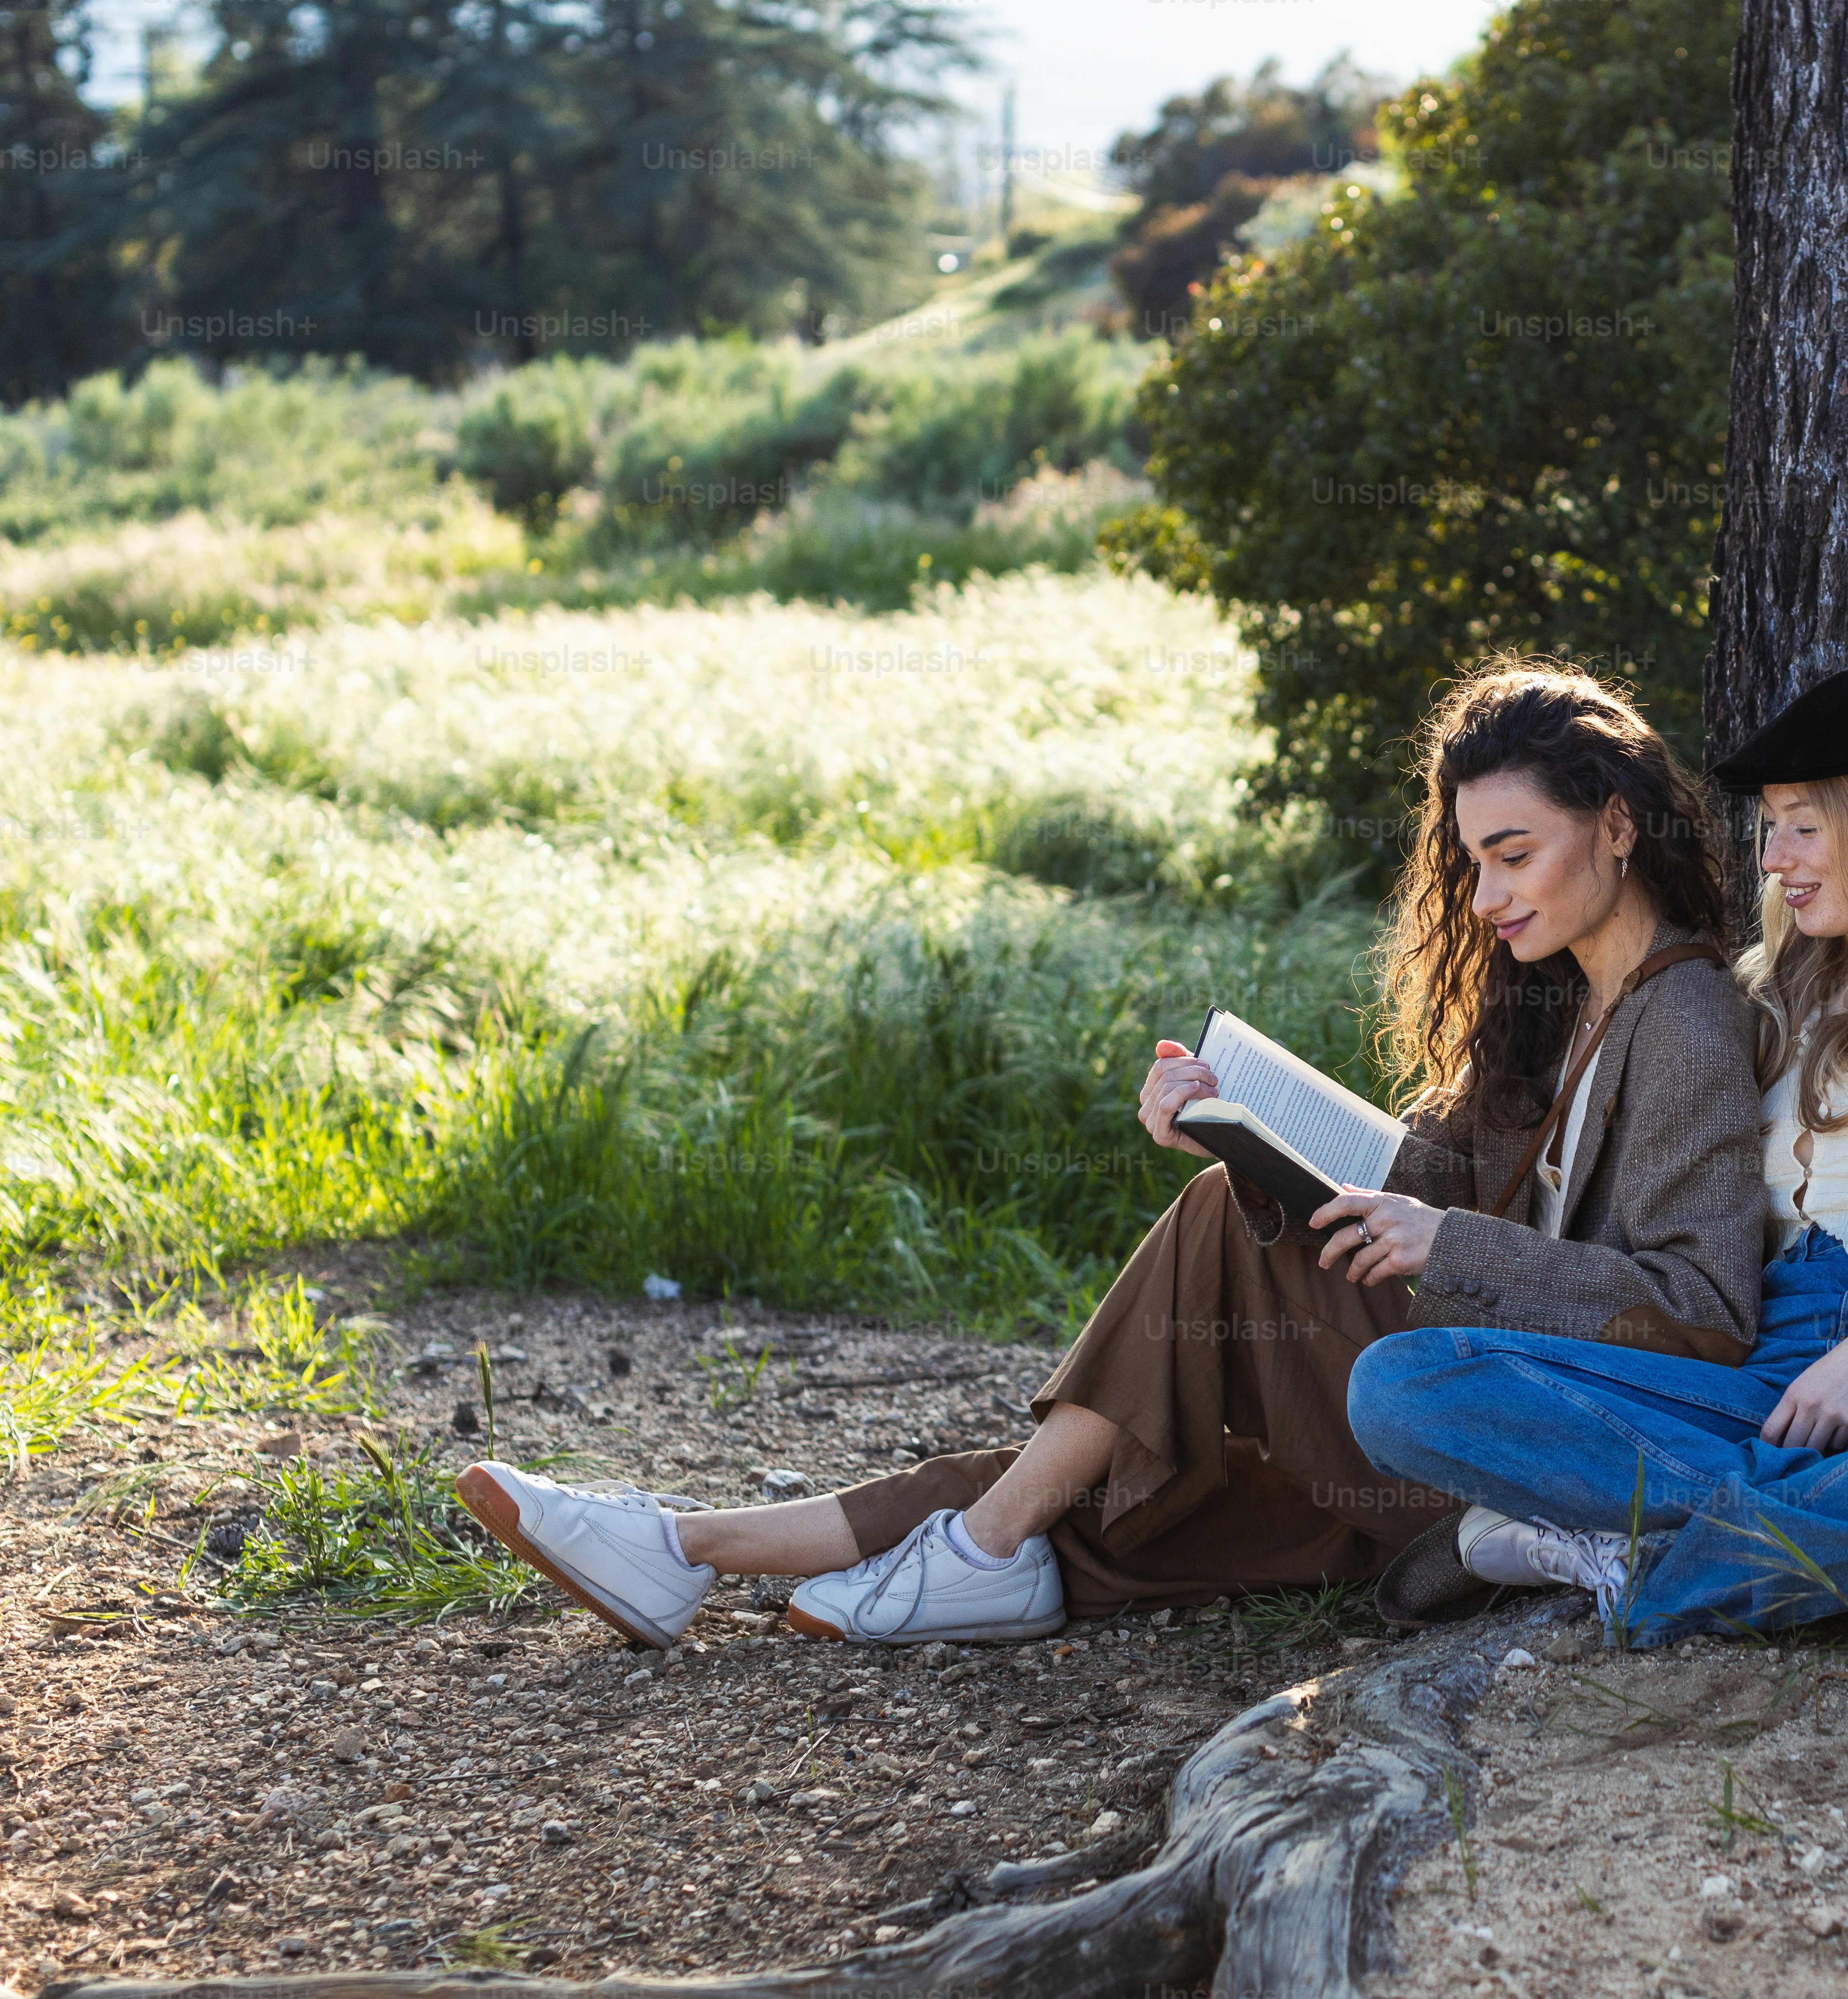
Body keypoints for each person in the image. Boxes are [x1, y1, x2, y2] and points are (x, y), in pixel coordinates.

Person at [453, 661, 1769, 1647]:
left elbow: (1706, 1313)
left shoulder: (1690, 1018)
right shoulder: (1553, 1006)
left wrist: (1449, 1244)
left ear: (1616, 825)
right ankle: (688, 1548)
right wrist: (1245, 1129)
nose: (1488, 903)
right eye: (1472, 868)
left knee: (1201, 1242)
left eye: (1515, 857)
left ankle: (952, 1547)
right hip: (1425, 1425)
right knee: (1119, 1483)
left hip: (1518, 1445)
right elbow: (1422, 1186)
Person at [1350, 667, 1848, 1647]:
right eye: (1769, 828)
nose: (1774, 860)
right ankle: (1843, 1559)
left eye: (1803, 826)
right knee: (1402, 1384)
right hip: (1737, 1374)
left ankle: (1639, 1575)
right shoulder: (1746, 996)